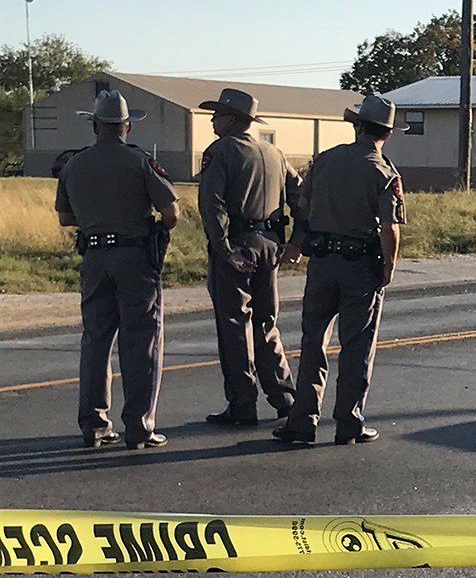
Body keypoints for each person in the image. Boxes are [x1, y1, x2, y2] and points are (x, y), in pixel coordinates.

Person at [273, 95, 407, 445]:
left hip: (321, 262)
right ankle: (348, 422)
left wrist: (300, 241)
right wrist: (389, 266)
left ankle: (303, 421)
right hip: (360, 265)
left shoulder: (325, 160)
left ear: (357, 126)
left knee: (313, 341)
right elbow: (389, 228)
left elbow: (303, 205)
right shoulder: (384, 172)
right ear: (387, 134)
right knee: (356, 345)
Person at [54, 90, 180, 450]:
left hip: (94, 257)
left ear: (94, 126)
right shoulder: (139, 162)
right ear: (127, 126)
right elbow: (171, 213)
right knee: (140, 342)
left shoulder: (75, 164)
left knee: (95, 341)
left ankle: (94, 425)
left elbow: (65, 217)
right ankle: (139, 426)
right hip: (135, 258)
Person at [198, 88, 302, 426]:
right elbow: (301, 198)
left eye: (217, 115)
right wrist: (297, 241)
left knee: (234, 326)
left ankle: (242, 402)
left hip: (238, 245)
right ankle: (285, 397)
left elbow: (212, 205)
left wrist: (223, 248)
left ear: (231, 119)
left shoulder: (219, 152)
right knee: (266, 322)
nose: (213, 121)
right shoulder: (274, 153)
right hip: (270, 243)